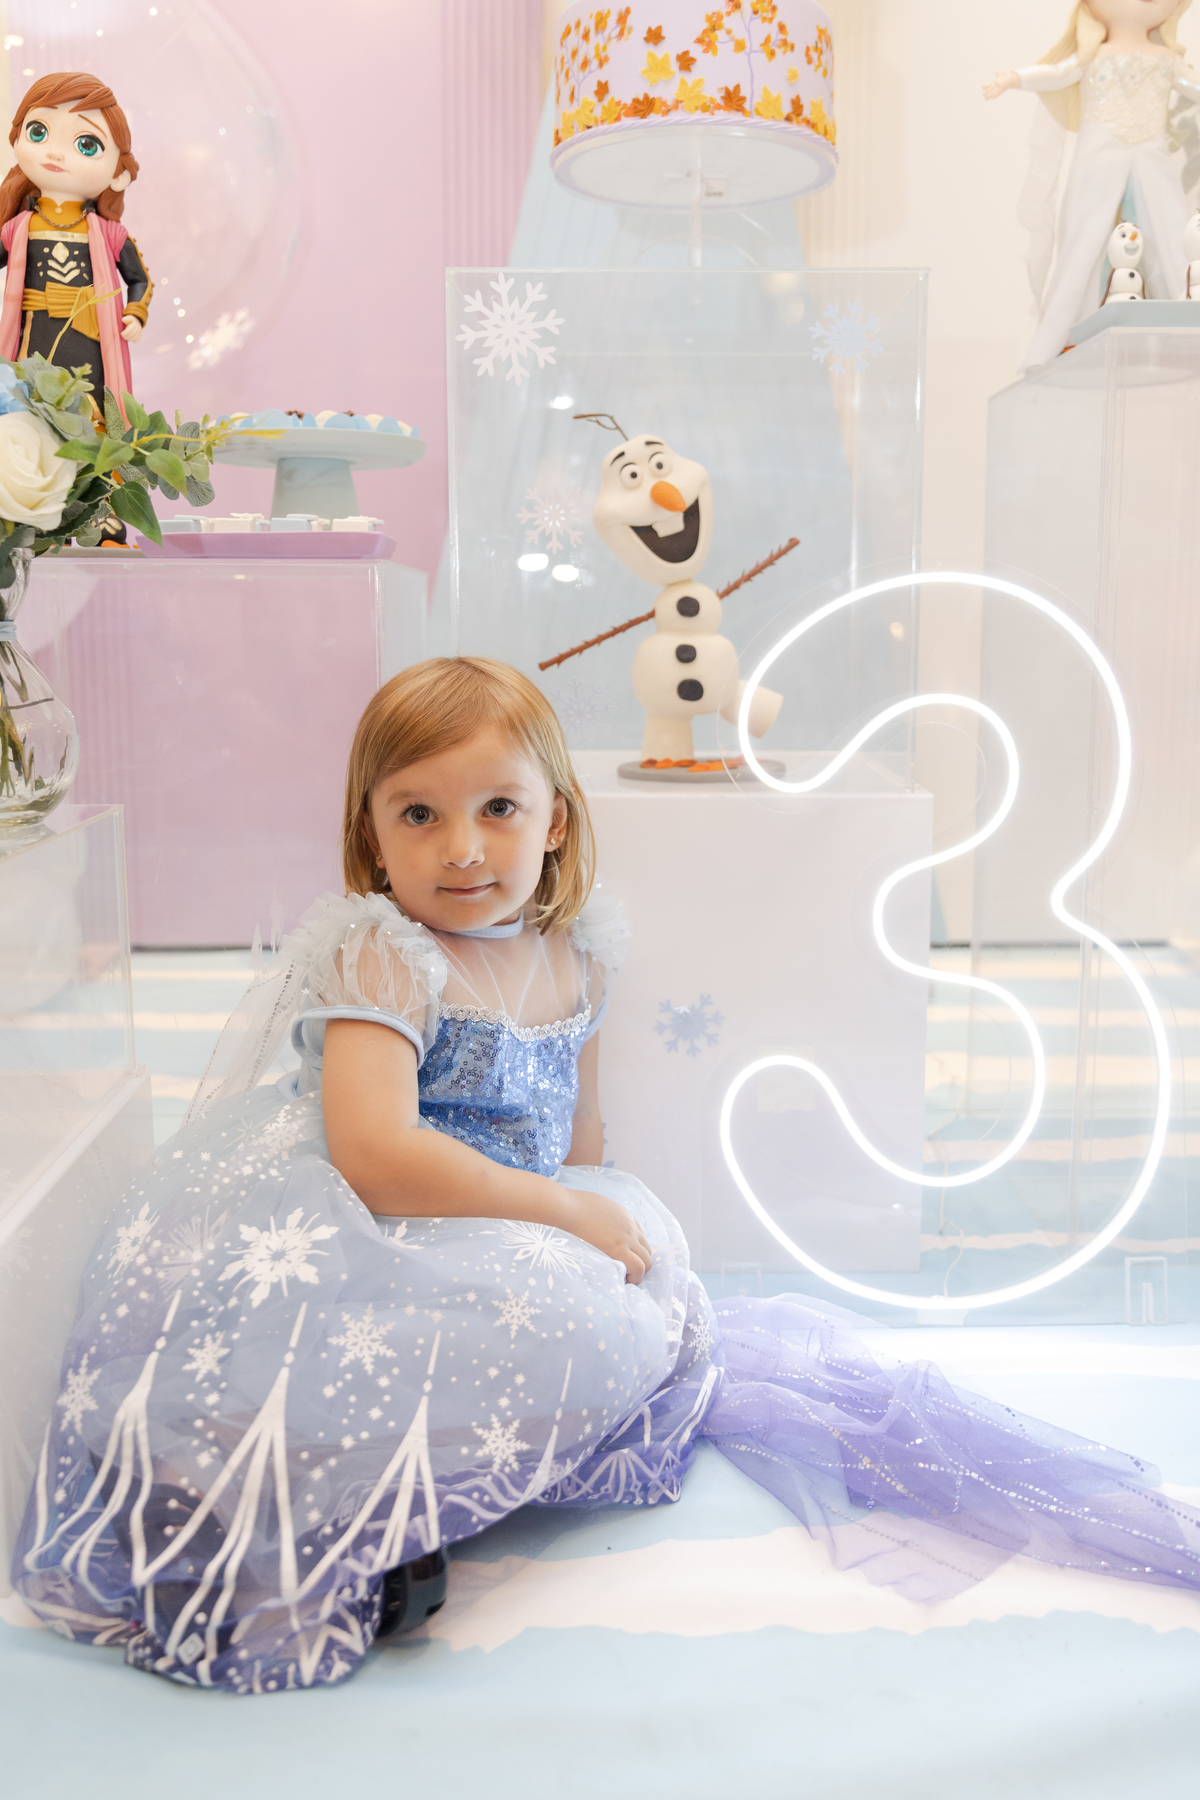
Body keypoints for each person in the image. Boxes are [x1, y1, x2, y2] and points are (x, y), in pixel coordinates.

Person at [14, 658, 1200, 1694]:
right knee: (457, 1329)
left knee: (637, 1294)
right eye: (418, 814)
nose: (462, 847)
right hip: (364, 1219)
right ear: (371, 834)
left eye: (497, 808)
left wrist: (588, 1223)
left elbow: (578, 1139)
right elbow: (378, 1158)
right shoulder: (387, 953)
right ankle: (343, 1512)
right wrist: (563, 1214)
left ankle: (439, 1480)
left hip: (504, 1215)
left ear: (556, 822)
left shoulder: (575, 953)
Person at [984, 1, 1200, 371]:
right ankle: (1064, 334)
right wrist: (1015, 78)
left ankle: (1185, 324)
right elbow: (1058, 72)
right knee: (1083, 239)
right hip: (1098, 157)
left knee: (1172, 232)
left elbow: (1192, 85)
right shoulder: (1092, 57)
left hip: (1152, 157)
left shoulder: (1165, 58)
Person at [0, 71, 152, 423]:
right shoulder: (19, 227)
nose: (55, 153)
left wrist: (135, 313)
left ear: (119, 175)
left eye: (86, 145)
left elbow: (139, 279)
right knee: (30, 399)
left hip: (90, 335)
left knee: (89, 404)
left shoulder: (110, 234)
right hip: (34, 333)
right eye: (39, 132)